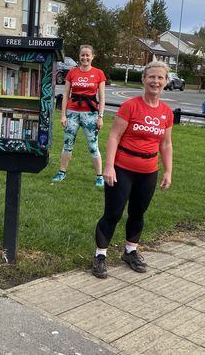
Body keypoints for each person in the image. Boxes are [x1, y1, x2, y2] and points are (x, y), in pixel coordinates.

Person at [92, 61, 173, 279]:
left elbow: (165, 144)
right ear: (144, 80)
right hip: (123, 168)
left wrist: (168, 171)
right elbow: (114, 136)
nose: (155, 81)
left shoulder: (166, 113)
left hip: (148, 170)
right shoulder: (130, 106)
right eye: (151, 77)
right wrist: (108, 166)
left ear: (166, 82)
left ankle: (130, 251)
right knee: (114, 213)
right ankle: (100, 255)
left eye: (160, 78)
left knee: (138, 213)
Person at [52, 45, 106, 187]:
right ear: (79, 56)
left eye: (88, 55)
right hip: (72, 113)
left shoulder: (99, 73)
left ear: (92, 56)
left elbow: (102, 97)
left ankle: (99, 176)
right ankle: (62, 172)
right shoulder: (72, 72)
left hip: (90, 114)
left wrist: (100, 116)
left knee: (93, 146)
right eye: (82, 55)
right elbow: (65, 95)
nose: (85, 58)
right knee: (67, 144)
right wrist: (63, 115)